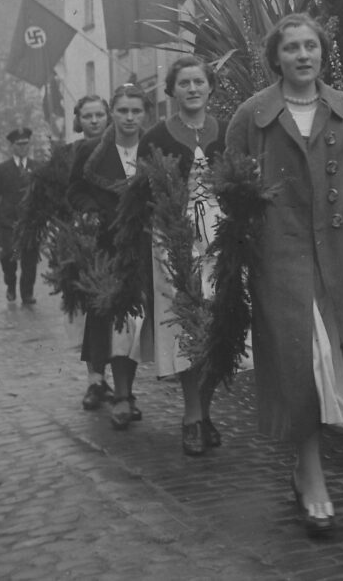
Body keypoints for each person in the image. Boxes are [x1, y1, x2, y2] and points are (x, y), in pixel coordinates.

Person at [226, 13, 343, 537]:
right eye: (291, 47)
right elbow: (230, 182)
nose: (302, 55)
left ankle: (303, 469)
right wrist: (254, 226)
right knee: (302, 363)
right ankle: (313, 477)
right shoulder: (253, 115)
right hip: (280, 258)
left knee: (332, 362)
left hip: (336, 256)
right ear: (276, 57)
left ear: (322, 52)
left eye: (310, 46)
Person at [138, 56, 226, 456]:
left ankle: (205, 411)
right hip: (174, 238)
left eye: (199, 82)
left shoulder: (226, 130)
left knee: (218, 323)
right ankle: (192, 415)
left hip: (219, 238)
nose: (192, 89)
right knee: (187, 323)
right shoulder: (156, 136)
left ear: (210, 87)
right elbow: (142, 194)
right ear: (172, 90)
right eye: (184, 83)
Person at [67, 83, 152, 428]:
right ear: (112, 113)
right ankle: (116, 392)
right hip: (106, 245)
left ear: (144, 113)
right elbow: (75, 190)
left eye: (136, 111)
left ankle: (124, 392)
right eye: (122, 111)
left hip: (144, 243)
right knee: (111, 315)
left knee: (135, 320)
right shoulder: (92, 151)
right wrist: (91, 211)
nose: (129, 118)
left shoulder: (154, 145)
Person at [69, 96, 115, 410]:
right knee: (95, 309)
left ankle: (113, 381)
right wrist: (88, 211)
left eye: (100, 115)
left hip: (119, 233)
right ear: (79, 120)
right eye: (88, 116)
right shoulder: (76, 151)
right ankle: (95, 379)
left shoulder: (120, 144)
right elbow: (71, 191)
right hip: (89, 236)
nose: (95, 121)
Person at [0, 128, 38, 303]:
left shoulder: (36, 167)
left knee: (29, 259)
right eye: (19, 144)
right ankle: (11, 283)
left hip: (31, 223)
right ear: (12, 146)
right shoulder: (2, 169)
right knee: (11, 256)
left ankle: (27, 293)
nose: (23, 147)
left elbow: (43, 195)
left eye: (26, 144)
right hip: (9, 224)